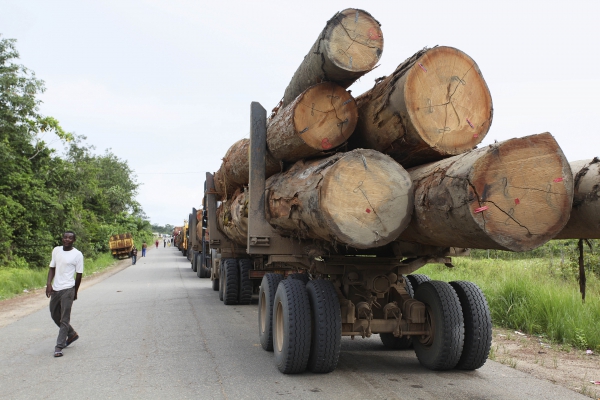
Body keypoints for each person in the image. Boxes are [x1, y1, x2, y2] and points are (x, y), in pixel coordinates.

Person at [46, 231, 83, 358]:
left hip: (68, 289)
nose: (67, 239)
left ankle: (59, 346)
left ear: (74, 240)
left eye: (70, 238)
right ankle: (71, 333)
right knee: (54, 314)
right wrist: (49, 284)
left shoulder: (77, 254)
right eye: (65, 237)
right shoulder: (56, 250)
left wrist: (75, 292)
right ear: (62, 238)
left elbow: (79, 275)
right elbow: (52, 268)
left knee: (64, 318)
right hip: (56, 289)